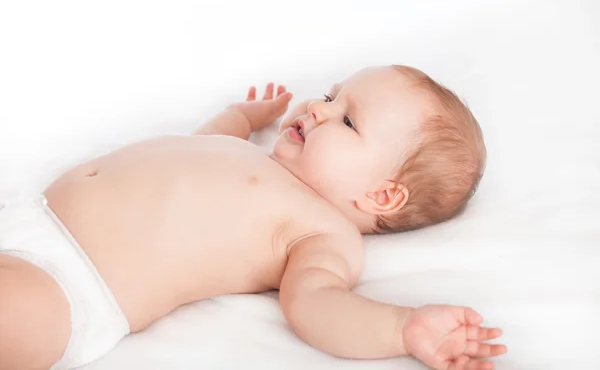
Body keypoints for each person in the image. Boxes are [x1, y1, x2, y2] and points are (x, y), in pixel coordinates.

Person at [0, 65, 504, 370]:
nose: (318, 108)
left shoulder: (324, 232)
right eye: (331, 95)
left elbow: (316, 305)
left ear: (384, 196)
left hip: (70, 285)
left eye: (348, 120)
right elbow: (198, 147)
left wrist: (401, 327)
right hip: (30, 213)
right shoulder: (257, 158)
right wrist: (241, 119)